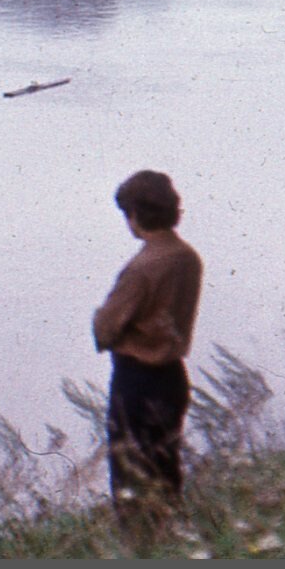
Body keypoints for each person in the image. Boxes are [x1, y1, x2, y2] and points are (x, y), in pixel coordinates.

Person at [92, 169, 203, 532]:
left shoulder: (142, 268)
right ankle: (170, 541)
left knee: (131, 480)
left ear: (136, 214)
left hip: (137, 382)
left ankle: (142, 549)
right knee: (165, 470)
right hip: (173, 378)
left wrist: (101, 319)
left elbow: (105, 328)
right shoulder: (188, 257)